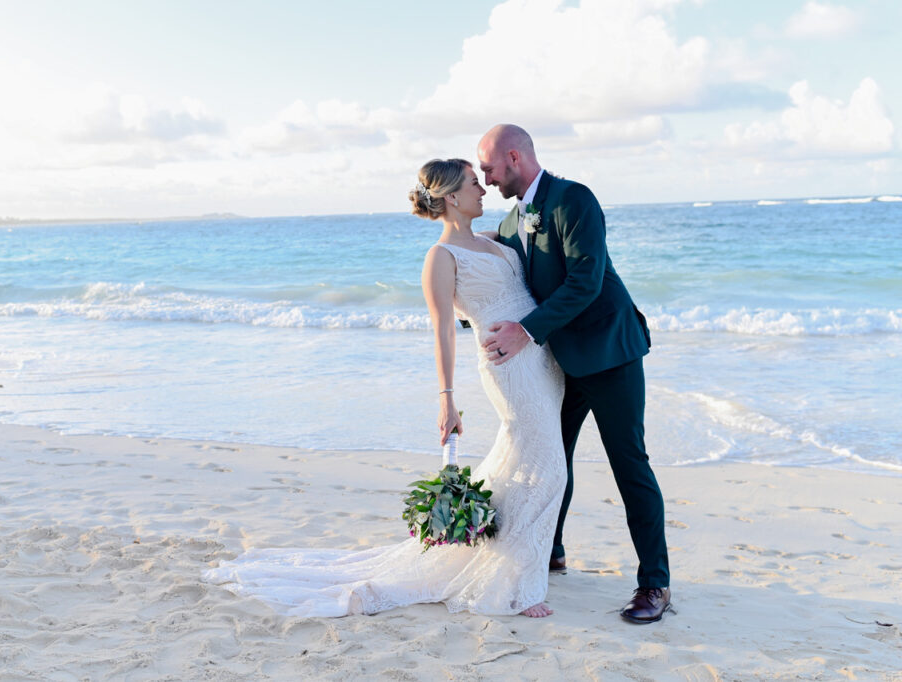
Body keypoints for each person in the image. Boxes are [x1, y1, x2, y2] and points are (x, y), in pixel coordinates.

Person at [202, 158, 567, 618]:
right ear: (452, 197)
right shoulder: (441, 257)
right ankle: (521, 586)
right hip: (508, 367)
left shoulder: (494, 240)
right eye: (475, 183)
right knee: (549, 467)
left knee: (526, 461)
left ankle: (502, 556)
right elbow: (443, 330)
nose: (483, 189)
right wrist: (447, 400)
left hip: (542, 363)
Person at [476, 124, 671, 624]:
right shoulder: (511, 220)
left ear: (514, 158)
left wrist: (525, 331)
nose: (486, 177)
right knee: (549, 458)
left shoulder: (574, 199)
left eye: (489, 168)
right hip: (559, 362)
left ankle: (655, 584)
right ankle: (551, 551)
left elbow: (585, 281)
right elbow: (502, 280)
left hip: (610, 353)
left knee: (630, 465)